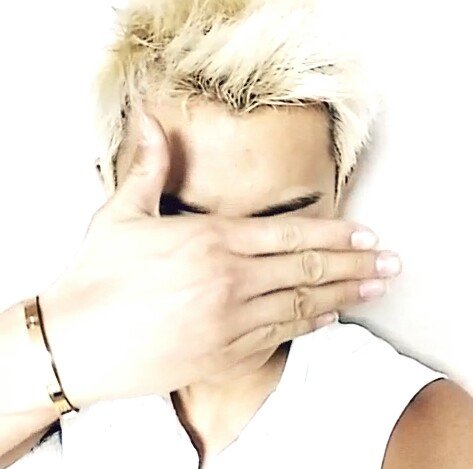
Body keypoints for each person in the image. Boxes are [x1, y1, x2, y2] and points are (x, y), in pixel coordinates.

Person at [2, 0, 473, 468]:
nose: (224, 280)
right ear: (109, 186)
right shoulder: (43, 405)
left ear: (339, 191)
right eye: (182, 223)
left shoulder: (414, 425)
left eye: (278, 224)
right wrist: (57, 349)